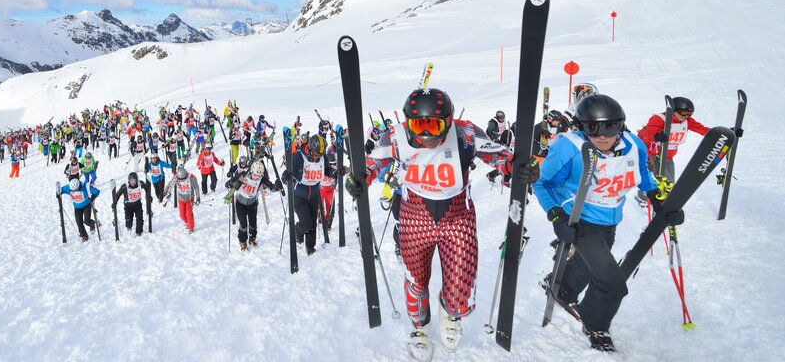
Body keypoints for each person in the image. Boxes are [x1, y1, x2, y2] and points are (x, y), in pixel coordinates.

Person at [347, 88, 537, 360]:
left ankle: (451, 314)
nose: (426, 135)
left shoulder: (465, 133)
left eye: (434, 125)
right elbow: (372, 164)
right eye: (418, 125)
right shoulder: (397, 136)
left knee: (461, 284)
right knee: (416, 280)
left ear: (448, 121)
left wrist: (518, 167)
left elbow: (500, 156)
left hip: (457, 216)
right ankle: (420, 329)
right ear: (408, 122)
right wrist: (358, 178)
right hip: (415, 216)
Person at [534, 94, 681, 352]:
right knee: (612, 284)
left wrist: (657, 197)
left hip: (611, 218)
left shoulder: (633, 145)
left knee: (587, 264)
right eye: (592, 128)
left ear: (620, 126)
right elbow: (542, 183)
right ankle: (595, 323)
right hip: (580, 220)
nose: (602, 136)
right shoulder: (569, 147)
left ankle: (563, 287)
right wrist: (556, 215)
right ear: (581, 127)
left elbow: (643, 174)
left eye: (610, 128)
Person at [282, 134, 337, 257]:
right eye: (316, 154)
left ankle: (310, 248)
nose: (318, 157)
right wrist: (286, 178)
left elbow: (327, 170)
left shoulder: (322, 157)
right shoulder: (299, 156)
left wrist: (334, 172)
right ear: (310, 148)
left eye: (320, 154)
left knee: (313, 223)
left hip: (314, 194)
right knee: (306, 223)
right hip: (299, 195)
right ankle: (297, 231)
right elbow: (288, 172)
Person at [637, 96, 710, 183]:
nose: (686, 116)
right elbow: (650, 132)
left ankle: (652, 191)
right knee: (667, 184)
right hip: (651, 156)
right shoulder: (659, 119)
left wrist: (715, 133)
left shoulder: (687, 121)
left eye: (690, 114)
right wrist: (657, 136)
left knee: (671, 185)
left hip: (667, 157)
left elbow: (701, 129)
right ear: (674, 110)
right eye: (684, 113)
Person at [226, 156, 282, 251]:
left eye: (259, 176)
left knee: (253, 223)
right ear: (252, 171)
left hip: (252, 204)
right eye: (255, 175)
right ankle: (242, 241)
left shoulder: (261, 179)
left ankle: (252, 238)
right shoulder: (243, 175)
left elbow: (271, 187)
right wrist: (234, 184)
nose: (257, 177)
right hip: (240, 203)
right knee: (243, 224)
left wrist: (276, 187)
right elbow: (228, 184)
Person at [59, 178, 100, 242]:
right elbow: (61, 189)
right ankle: (84, 235)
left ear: (79, 186)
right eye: (73, 190)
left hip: (86, 205)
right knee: (78, 221)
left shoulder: (85, 185)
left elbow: (97, 191)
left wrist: (93, 196)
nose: (74, 191)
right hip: (77, 207)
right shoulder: (69, 187)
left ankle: (92, 224)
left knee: (86, 220)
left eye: (76, 189)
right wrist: (58, 193)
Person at [174, 161, 201, 233]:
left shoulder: (191, 177)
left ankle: (191, 227)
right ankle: (187, 222)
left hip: (189, 199)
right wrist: (164, 192)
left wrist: (198, 198)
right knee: (182, 215)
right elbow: (170, 184)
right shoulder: (176, 177)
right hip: (181, 198)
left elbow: (196, 188)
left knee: (189, 214)